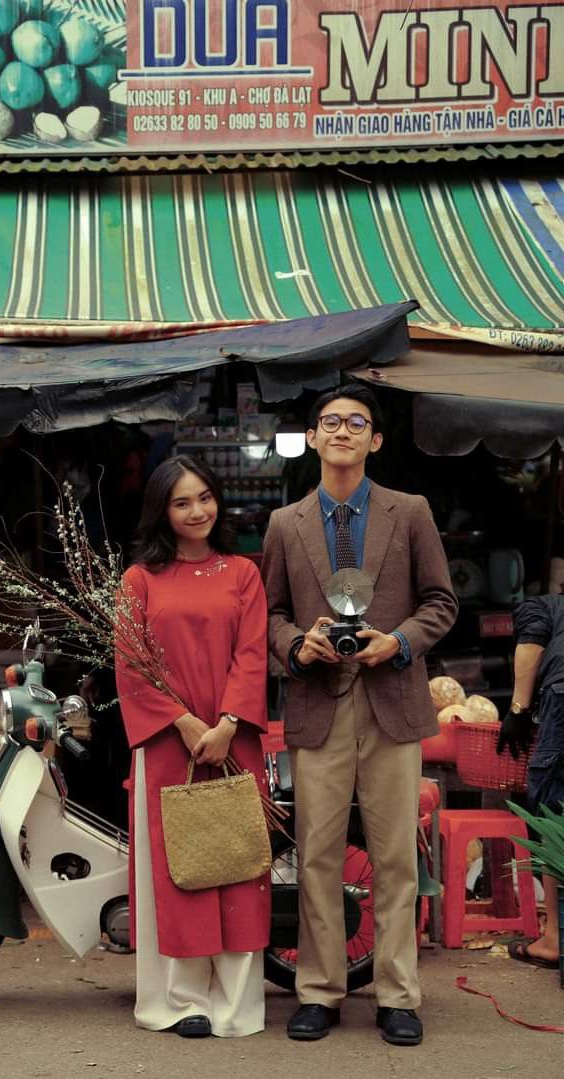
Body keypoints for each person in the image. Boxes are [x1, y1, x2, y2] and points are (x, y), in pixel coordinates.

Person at [261, 384, 457, 1047]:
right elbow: (270, 615)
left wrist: (397, 642)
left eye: (356, 422)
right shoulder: (286, 524)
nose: (342, 430)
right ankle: (318, 990)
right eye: (329, 421)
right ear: (313, 437)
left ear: (374, 440)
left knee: (396, 856)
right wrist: (296, 643)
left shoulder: (410, 512)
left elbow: (440, 601)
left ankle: (397, 994)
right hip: (319, 701)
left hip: (391, 701)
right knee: (315, 855)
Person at [114, 455, 271, 1039]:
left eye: (205, 497)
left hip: (235, 739)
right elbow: (130, 666)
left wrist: (227, 723)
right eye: (182, 502)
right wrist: (183, 723)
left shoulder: (242, 573)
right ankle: (180, 1002)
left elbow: (253, 653)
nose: (197, 510)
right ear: (163, 511)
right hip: (167, 745)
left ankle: (236, 1004)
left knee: (237, 863)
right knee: (179, 869)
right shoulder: (138, 581)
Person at [497, 593, 564, 971]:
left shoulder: (537, 605)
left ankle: (553, 939)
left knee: (554, 820)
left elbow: (531, 642)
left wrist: (518, 708)